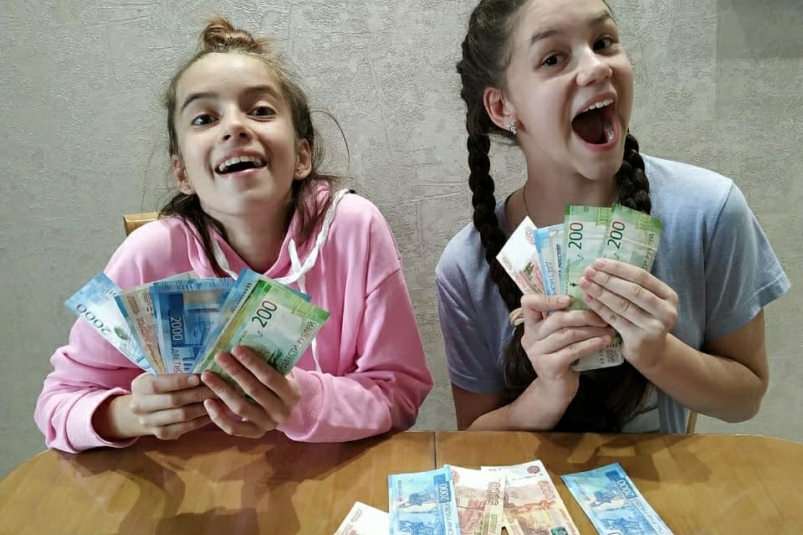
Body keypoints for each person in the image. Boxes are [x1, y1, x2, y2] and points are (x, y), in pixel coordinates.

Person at [36, 17, 433, 453]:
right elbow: (57, 404)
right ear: (182, 173)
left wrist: (302, 401)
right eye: (204, 118)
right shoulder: (149, 255)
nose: (234, 127)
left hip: (328, 474)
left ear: (302, 156)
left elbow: (400, 394)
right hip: (197, 485)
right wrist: (131, 413)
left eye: (260, 111)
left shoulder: (354, 229)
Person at [436, 0, 790, 434]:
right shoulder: (465, 266)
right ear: (502, 107)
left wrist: (659, 354)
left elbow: (746, 399)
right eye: (553, 58)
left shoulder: (709, 212)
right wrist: (546, 394)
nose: (597, 67)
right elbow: (472, 439)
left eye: (603, 42)